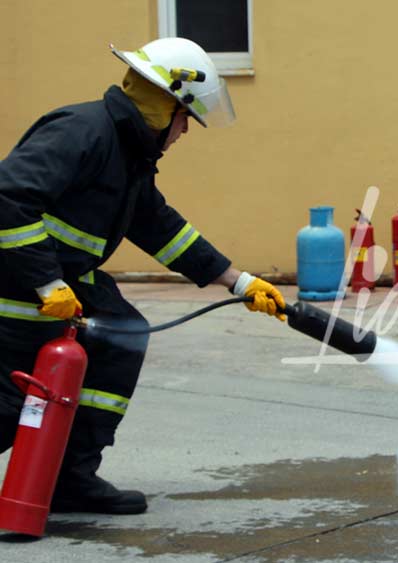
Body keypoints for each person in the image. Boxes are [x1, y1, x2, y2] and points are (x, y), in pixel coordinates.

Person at [0, 37, 286, 515]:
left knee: (120, 335)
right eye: (184, 119)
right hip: (15, 281)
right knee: (11, 406)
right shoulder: (82, 131)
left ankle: (71, 478)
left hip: (61, 284)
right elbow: (9, 199)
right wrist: (47, 283)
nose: (185, 132)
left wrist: (239, 282)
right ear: (163, 106)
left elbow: (158, 225)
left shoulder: (126, 153)